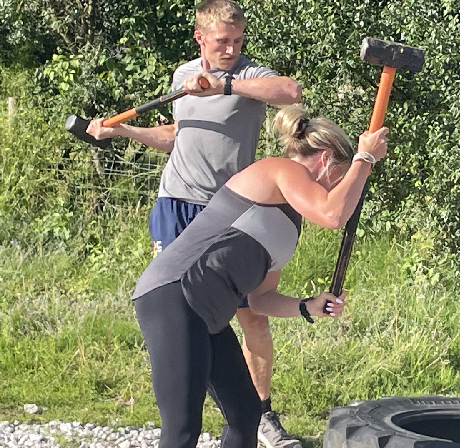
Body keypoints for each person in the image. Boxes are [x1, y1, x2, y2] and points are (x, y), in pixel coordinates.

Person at [87, 1, 304, 446]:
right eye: (222, 41)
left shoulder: (248, 75)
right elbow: (178, 135)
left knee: (252, 316)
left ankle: (257, 413)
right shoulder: (182, 76)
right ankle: (187, 409)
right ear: (200, 37)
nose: (230, 49)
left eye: (238, 41)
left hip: (224, 213)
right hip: (175, 205)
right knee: (179, 309)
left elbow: (290, 91)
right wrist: (124, 132)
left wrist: (226, 83)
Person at [131, 104, 389, 448]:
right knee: (182, 428)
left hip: (206, 313)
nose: (339, 188)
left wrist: (307, 306)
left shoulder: (289, 222)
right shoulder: (280, 170)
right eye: (340, 179)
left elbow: (260, 298)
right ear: (326, 160)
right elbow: (333, 213)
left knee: (246, 414)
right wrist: (364, 159)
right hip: (174, 293)